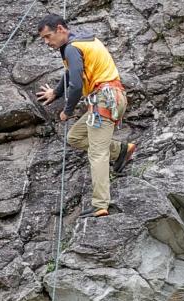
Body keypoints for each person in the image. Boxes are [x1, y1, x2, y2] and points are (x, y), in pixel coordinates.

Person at [33, 13, 137, 218]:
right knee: (75, 137)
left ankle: (100, 204)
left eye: (48, 36)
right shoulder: (82, 41)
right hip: (109, 98)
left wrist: (67, 111)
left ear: (61, 29)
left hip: (104, 99)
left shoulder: (72, 48)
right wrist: (55, 93)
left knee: (97, 153)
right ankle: (122, 151)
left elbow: (76, 84)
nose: (46, 42)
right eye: (43, 39)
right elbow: (71, 73)